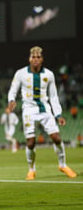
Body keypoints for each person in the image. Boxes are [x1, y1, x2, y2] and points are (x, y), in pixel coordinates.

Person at [7, 46, 77, 180]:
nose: (36, 60)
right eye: (33, 57)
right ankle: (31, 170)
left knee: (56, 137)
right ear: (29, 58)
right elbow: (13, 90)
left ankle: (63, 165)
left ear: (42, 59)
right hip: (28, 110)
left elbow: (54, 96)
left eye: (38, 57)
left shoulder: (49, 75)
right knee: (31, 143)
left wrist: (58, 115)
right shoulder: (20, 74)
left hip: (45, 109)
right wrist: (11, 100)